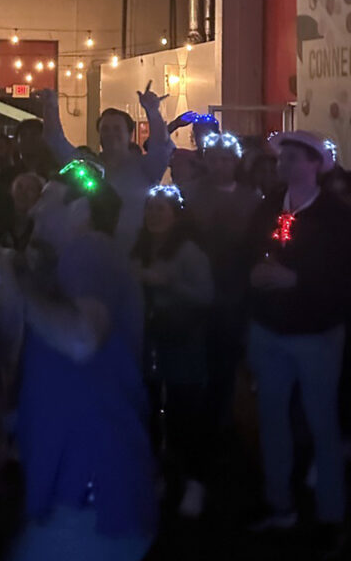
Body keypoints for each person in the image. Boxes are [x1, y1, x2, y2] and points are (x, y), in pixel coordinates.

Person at [9, 159, 157, 560]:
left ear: (80, 210)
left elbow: (82, 339)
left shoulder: (90, 250)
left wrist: (13, 285)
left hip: (91, 493)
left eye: (45, 199)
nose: (34, 209)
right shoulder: (73, 264)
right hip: (80, 486)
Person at [245, 131, 351, 544]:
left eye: (292, 158)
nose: (282, 164)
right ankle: (280, 504)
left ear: (314, 165)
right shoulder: (269, 207)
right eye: (281, 158)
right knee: (272, 422)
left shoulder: (337, 218)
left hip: (316, 335)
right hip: (268, 330)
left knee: (322, 423)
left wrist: (296, 279)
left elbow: (343, 278)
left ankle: (331, 514)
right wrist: (253, 274)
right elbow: (249, 250)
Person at [132, 185, 214, 519]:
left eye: (160, 209)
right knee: (151, 410)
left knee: (184, 414)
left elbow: (207, 296)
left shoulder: (189, 251)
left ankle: (195, 481)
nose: (153, 215)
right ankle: (159, 475)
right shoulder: (139, 248)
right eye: (149, 209)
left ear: (175, 214)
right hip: (149, 341)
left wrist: (168, 282)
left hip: (182, 341)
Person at [38, 82, 173, 254]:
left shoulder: (145, 167)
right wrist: (51, 106)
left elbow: (161, 145)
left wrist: (153, 111)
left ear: (129, 134)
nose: (111, 134)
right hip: (93, 257)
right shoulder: (88, 165)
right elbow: (55, 140)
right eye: (105, 129)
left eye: (117, 129)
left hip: (135, 256)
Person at [184, 133, 260, 425]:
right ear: (205, 160)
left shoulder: (250, 197)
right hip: (196, 285)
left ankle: (223, 421)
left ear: (236, 161)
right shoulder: (190, 193)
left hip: (235, 289)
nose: (220, 165)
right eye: (214, 159)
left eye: (226, 159)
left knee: (226, 361)